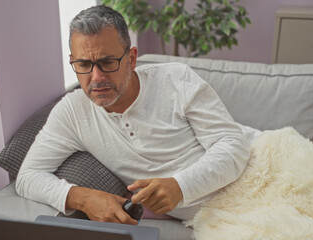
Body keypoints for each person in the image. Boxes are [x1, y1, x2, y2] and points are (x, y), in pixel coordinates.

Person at [16, 5, 250, 225]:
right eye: (84, 64)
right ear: (72, 62)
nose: (96, 77)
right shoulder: (72, 113)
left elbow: (233, 144)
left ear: (131, 58)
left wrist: (181, 186)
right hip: (220, 221)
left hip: (260, 173)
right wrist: (83, 199)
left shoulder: (177, 79)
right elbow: (28, 177)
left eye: (108, 62)